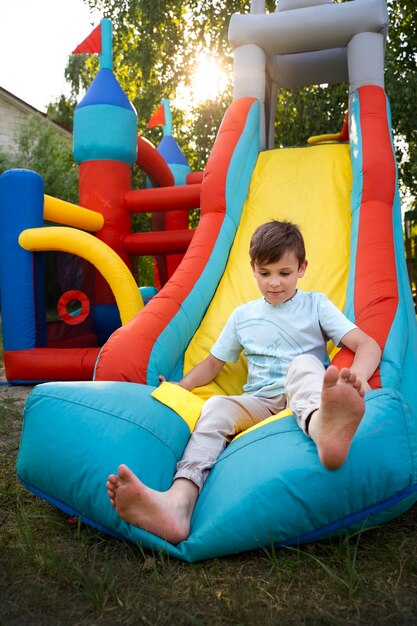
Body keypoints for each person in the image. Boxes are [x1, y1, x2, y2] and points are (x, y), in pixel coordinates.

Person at [107, 220, 381, 544]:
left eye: (284, 273)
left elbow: (367, 345)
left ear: (302, 268)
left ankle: (324, 428)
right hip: (260, 402)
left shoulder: (315, 304)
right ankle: (178, 504)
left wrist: (358, 379)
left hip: (302, 392)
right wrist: (180, 387)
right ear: (253, 269)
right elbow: (212, 364)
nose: (274, 283)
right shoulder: (243, 316)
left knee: (305, 363)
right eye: (265, 273)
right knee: (216, 406)